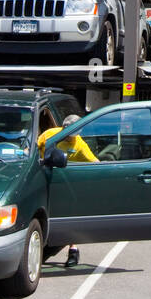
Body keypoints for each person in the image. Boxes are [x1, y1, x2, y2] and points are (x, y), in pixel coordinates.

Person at [36, 114, 97, 267]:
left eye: (74, 134)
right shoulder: (49, 135)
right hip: (43, 177)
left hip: (64, 182)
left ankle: (73, 249)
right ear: (63, 128)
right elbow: (32, 149)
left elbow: (95, 163)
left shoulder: (80, 145)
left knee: (68, 213)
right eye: (68, 134)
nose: (70, 137)